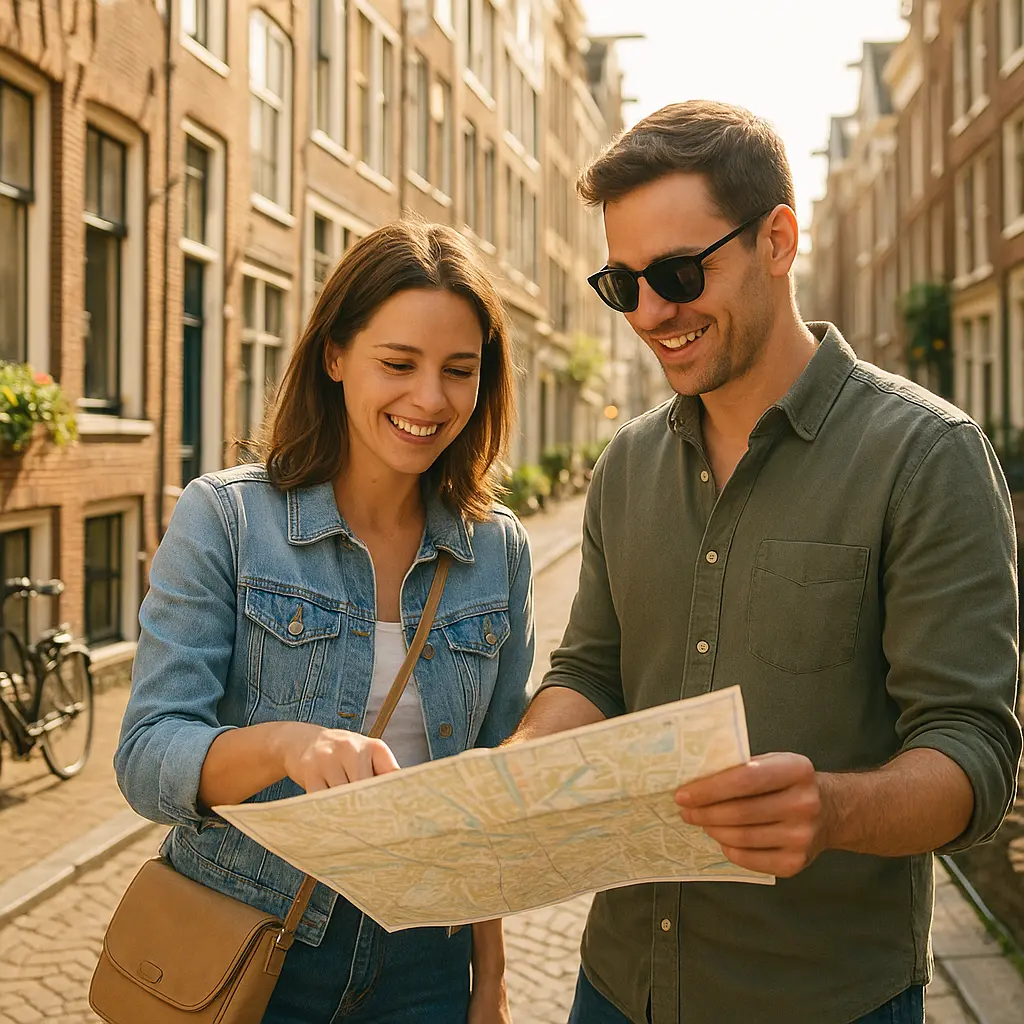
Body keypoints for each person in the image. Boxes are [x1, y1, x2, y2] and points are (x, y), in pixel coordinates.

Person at [510, 100, 1022, 1024]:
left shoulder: (927, 457)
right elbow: (591, 668)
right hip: (615, 988)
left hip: (825, 1002)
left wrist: (831, 810)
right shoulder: (625, 462)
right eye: (623, 285)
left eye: (675, 272)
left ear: (778, 239)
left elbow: (973, 752)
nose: (651, 315)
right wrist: (523, 761)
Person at [115, 221, 534, 1023]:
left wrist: (491, 981)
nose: (430, 399)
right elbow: (147, 757)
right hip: (251, 946)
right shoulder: (227, 520)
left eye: (459, 371)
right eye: (399, 364)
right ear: (335, 357)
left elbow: (492, 793)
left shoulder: (498, 551)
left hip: (425, 964)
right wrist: (284, 745)